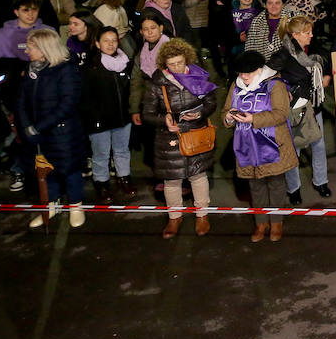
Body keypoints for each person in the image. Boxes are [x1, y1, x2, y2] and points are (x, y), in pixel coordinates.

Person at [142, 38, 219, 239]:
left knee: (198, 176)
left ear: (187, 59)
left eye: (180, 62)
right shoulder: (156, 84)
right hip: (169, 139)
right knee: (172, 180)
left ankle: (202, 215)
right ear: (164, 64)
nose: (176, 67)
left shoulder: (199, 76)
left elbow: (211, 102)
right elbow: (147, 114)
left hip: (195, 134)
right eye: (172, 64)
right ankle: (174, 216)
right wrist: (163, 120)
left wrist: (200, 113)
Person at [223, 50, 297, 242]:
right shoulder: (236, 85)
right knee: (255, 185)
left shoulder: (275, 84)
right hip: (246, 144)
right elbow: (225, 109)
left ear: (259, 69)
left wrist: (253, 118)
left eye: (248, 73)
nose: (244, 77)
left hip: (273, 143)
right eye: (240, 73)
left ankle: (276, 222)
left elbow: (281, 113)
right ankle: (261, 223)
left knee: (276, 185)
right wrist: (229, 117)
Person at [18, 28, 87, 229]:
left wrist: (38, 127)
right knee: (46, 171)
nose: (26, 51)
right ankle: (52, 205)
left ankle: (76, 206)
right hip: (38, 135)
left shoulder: (66, 70)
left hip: (63, 133)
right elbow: (21, 100)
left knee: (70, 170)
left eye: (30, 47)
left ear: (44, 48)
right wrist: (26, 126)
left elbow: (67, 104)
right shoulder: (30, 69)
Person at [267, 15, 332, 202]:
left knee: (318, 144)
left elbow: (324, 63)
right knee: (294, 149)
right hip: (296, 108)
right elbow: (267, 76)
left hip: (315, 105)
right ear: (295, 35)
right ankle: (293, 188)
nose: (311, 35)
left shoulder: (313, 48)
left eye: (311, 31)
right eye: (307, 33)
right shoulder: (283, 54)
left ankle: (321, 182)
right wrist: (283, 91)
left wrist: (326, 75)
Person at [80, 26, 137, 203]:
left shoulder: (125, 62)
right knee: (101, 154)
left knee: (122, 151)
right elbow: (84, 97)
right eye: (106, 40)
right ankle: (101, 183)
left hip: (122, 117)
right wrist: (92, 117)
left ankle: (124, 178)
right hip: (99, 120)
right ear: (97, 43)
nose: (111, 44)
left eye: (114, 40)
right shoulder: (90, 66)